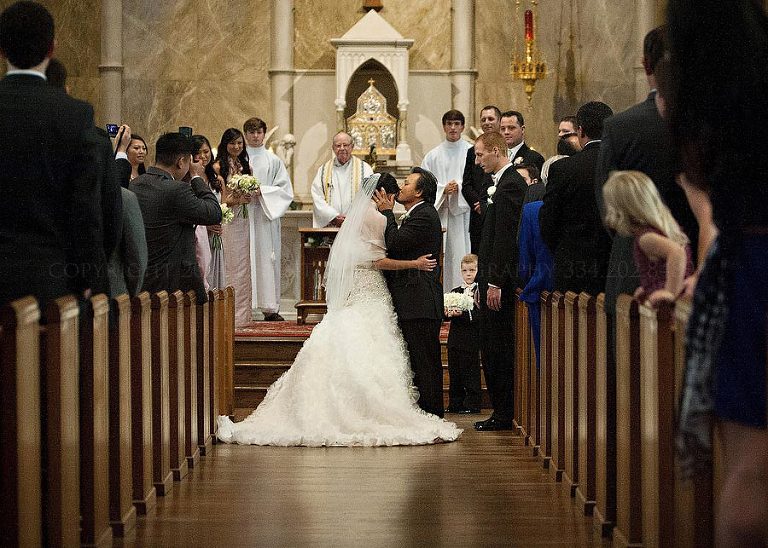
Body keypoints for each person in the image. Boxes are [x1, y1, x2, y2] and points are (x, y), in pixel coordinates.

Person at [217, 173, 461, 446]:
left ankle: (401, 409)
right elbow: (380, 259)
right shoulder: (378, 217)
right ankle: (380, 409)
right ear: (385, 194)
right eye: (399, 188)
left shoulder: (374, 215)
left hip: (375, 291)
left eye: (407, 184)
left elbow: (389, 248)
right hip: (372, 289)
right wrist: (414, 263)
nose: (401, 190)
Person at [666, 1, 768, 545]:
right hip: (746, 263)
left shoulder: (703, 103)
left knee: (749, 468)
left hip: (748, 271)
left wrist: (705, 268)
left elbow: (712, 208)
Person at [0, 1, 116, 308]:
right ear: (52, 48)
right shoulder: (74, 115)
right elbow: (84, 208)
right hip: (49, 284)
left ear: (1, 49)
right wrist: (90, 279)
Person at [373, 168, 446, 418]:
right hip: (414, 300)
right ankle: (426, 412)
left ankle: (432, 414)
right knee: (418, 360)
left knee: (425, 361)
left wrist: (386, 212)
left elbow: (395, 244)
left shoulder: (424, 215)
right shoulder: (417, 213)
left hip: (420, 300)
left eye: (407, 183)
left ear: (419, 192)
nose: (401, 187)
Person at [472, 131, 528, 431]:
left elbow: (505, 239)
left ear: (496, 150)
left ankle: (504, 412)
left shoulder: (510, 185)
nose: (477, 161)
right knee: (491, 346)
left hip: (499, 282)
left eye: (480, 154)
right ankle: (501, 410)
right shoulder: (500, 183)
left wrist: (494, 282)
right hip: (490, 278)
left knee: (497, 348)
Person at [130, 133, 222, 304]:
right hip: (174, 284)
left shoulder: (134, 185)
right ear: (181, 162)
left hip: (140, 277)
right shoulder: (177, 190)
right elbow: (214, 213)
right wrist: (196, 177)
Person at [539, 101, 614, 295]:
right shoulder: (622, 165)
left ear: (580, 131)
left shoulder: (563, 169)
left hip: (572, 266)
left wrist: (564, 249)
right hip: (614, 265)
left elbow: (548, 221)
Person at [602, 170, 693, 307]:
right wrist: (649, 288)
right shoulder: (660, 229)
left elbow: (677, 253)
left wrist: (670, 294)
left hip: (669, 310)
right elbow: (659, 268)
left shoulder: (646, 238)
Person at [241, 117, 294, 321]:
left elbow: (285, 190)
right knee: (244, 258)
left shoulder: (273, 160)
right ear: (245, 134)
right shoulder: (239, 159)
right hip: (243, 215)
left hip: (265, 215)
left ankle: (269, 308)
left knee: (266, 259)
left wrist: (261, 191)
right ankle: (242, 305)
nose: (255, 136)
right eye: (251, 132)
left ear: (264, 134)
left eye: (259, 132)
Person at [421, 109, 472, 290]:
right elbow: (424, 184)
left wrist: (459, 188)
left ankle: (463, 293)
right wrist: (443, 190)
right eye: (449, 124)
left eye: (457, 124)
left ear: (463, 127)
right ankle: (441, 294)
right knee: (442, 257)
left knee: (461, 253)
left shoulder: (471, 152)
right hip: (440, 214)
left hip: (463, 214)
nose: (453, 128)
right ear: (443, 127)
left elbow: (476, 181)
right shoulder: (433, 155)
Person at [213, 128, 253, 325]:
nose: (236, 147)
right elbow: (222, 200)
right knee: (229, 263)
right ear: (225, 144)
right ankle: (227, 315)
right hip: (227, 218)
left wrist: (250, 193)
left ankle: (242, 315)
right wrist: (237, 199)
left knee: (243, 264)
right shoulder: (218, 167)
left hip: (242, 221)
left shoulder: (245, 166)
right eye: (232, 143)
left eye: (239, 143)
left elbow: (251, 193)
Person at [518, 200, 553, 372]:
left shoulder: (532, 210)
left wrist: (526, 280)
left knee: (546, 357)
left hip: (542, 286)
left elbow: (525, 260)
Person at [444, 253, 481, 414]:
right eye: (465, 271)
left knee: (470, 372)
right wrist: (448, 313)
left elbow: (479, 315)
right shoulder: (456, 291)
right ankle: (455, 403)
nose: (468, 274)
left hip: (470, 338)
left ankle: (472, 404)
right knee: (455, 372)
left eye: (472, 270)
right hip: (455, 338)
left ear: (478, 271)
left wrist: (463, 314)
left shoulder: (480, 291)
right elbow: (447, 313)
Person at [311, 131, 373, 228]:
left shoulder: (365, 169)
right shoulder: (323, 171)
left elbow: (369, 197)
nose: (342, 148)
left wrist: (352, 217)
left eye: (345, 145)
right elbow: (317, 197)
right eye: (338, 145)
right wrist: (333, 216)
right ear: (333, 148)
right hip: (331, 225)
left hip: (356, 225)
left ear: (352, 147)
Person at [462, 105, 501, 253]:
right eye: (483, 119)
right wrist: (479, 204)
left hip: (499, 212)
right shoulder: (472, 152)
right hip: (478, 216)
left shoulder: (504, 148)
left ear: (499, 121)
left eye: (491, 119)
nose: (487, 122)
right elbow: (467, 184)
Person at [192, 134, 226, 290]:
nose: (203, 156)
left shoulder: (217, 179)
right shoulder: (189, 180)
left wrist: (221, 220)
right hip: (198, 235)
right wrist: (205, 226)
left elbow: (223, 205)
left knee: (216, 276)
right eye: (198, 153)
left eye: (206, 152)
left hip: (216, 235)